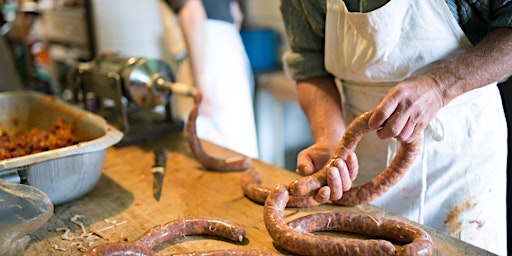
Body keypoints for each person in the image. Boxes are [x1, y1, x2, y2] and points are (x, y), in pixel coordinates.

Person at [279, 1, 511, 255]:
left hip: (461, 145)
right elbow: (308, 64)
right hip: (363, 155)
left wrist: (440, 86)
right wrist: (329, 139)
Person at [163, 0, 259, 159]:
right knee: (238, 143)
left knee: (207, 147)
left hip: (205, 52)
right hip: (230, 48)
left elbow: (192, 10)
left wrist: (199, 81)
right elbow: (236, 15)